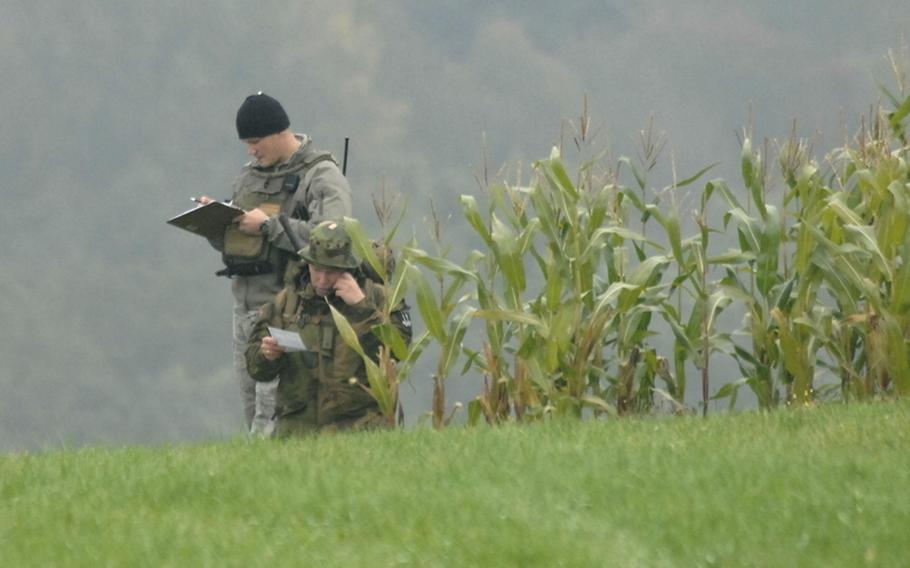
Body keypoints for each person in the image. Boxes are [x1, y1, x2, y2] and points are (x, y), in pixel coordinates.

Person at [199, 92, 352, 436]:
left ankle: (264, 482)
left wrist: (269, 226)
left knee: (274, 415)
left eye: (256, 142)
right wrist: (214, 223)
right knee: (252, 408)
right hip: (244, 308)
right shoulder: (248, 178)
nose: (251, 151)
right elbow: (239, 242)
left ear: (279, 132)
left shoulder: (321, 176)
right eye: (246, 144)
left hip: (289, 309)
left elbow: (333, 239)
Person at [245, 220, 412, 436]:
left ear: (347, 269)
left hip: (359, 429)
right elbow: (254, 367)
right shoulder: (287, 302)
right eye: (317, 270)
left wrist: (361, 308)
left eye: (331, 272)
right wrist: (267, 355)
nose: (322, 280)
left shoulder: (379, 299)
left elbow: (397, 351)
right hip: (297, 433)